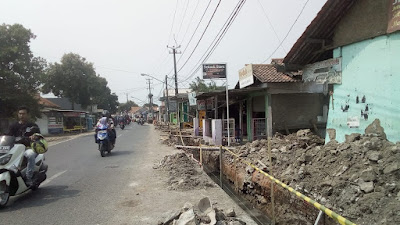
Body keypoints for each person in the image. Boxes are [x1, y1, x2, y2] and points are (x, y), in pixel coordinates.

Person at [7, 106, 41, 187]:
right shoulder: (13, 125)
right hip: (15, 149)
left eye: (24, 114)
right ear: (18, 115)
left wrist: (35, 136)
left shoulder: (33, 125)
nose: (22, 115)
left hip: (27, 148)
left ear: (28, 114)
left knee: (31, 155)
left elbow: (39, 136)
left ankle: (28, 177)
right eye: (20, 114)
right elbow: (7, 136)